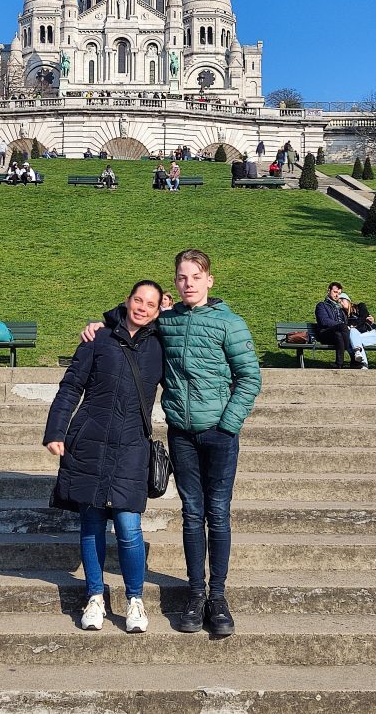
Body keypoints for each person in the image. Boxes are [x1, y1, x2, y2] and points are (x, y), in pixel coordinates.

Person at [82, 250, 262, 637]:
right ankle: (195, 595)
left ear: (209, 280)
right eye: (182, 277)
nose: (189, 283)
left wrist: (227, 425)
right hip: (181, 432)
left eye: (195, 276)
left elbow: (250, 378)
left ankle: (218, 597)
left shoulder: (230, 323)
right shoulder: (169, 320)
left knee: (218, 513)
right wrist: (100, 322)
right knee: (192, 513)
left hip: (220, 433)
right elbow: (134, 315)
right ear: (175, 283)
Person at [44, 280, 164, 634]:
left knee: (129, 527)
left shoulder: (161, 344)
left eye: (150, 304)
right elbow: (71, 386)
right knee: (92, 522)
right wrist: (56, 430)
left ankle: (135, 600)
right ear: (127, 301)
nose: (142, 307)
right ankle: (95, 595)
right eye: (137, 300)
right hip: (90, 441)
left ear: (159, 311)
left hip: (131, 446)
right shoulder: (98, 338)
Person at [315, 282, 356, 369]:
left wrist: (367, 318)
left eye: (339, 293)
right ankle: (353, 357)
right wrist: (341, 325)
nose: (337, 295)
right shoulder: (321, 305)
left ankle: (339, 364)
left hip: (340, 334)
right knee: (342, 328)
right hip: (325, 333)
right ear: (328, 291)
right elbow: (324, 321)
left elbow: (351, 317)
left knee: (339, 334)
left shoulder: (340, 308)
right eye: (335, 292)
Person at [339, 292, 376, 370]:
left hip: (369, 335)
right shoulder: (343, 314)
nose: (341, 303)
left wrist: (352, 326)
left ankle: (359, 359)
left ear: (348, 299)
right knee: (354, 338)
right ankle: (363, 363)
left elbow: (363, 318)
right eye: (339, 302)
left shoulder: (360, 306)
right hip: (357, 339)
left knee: (352, 334)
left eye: (342, 300)